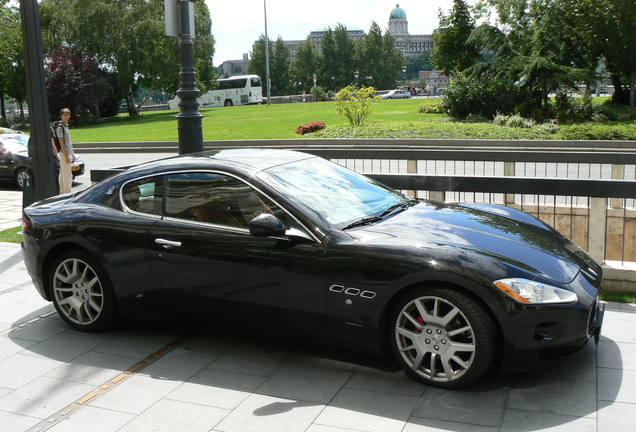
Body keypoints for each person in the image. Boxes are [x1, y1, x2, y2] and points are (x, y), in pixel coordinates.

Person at [56, 108, 75, 194]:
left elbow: (69, 141)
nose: (66, 117)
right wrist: (66, 155)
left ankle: (63, 192)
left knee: (63, 173)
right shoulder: (60, 127)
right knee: (67, 174)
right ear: (61, 116)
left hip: (67, 152)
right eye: (64, 115)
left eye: (67, 115)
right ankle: (68, 192)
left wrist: (72, 153)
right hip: (64, 152)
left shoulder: (65, 126)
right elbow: (61, 142)